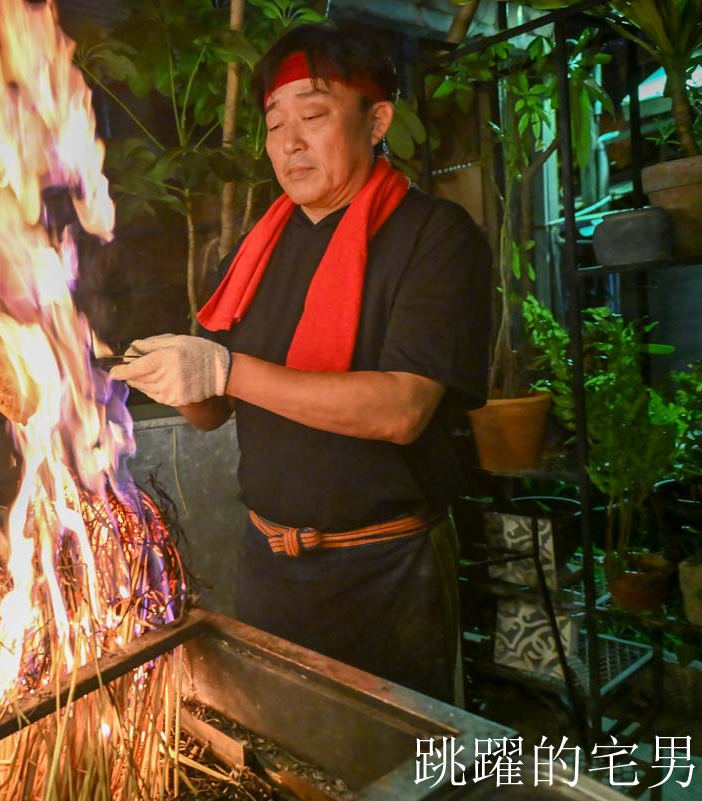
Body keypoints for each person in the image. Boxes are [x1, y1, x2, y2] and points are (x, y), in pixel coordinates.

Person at [109, 22, 491, 704]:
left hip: (385, 567)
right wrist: (164, 372)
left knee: (395, 765)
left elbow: (403, 409)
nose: (289, 142)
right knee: (280, 752)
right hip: (267, 566)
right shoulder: (258, 248)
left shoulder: (434, 236)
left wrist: (223, 369)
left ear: (377, 121)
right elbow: (210, 412)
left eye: (313, 115)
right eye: (274, 123)